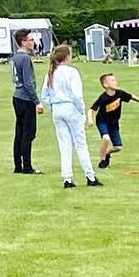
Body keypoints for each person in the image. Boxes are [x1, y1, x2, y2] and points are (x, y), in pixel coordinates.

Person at [42, 43, 100, 189]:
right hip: (71, 107)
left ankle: (67, 178)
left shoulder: (51, 73)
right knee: (80, 143)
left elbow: (44, 95)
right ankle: (90, 176)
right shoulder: (72, 72)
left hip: (57, 109)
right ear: (67, 57)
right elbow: (76, 94)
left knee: (64, 145)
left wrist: (53, 106)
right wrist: (81, 110)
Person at [90, 71, 139, 169]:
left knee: (118, 147)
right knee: (106, 138)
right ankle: (102, 161)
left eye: (115, 80)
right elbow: (92, 109)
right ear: (105, 85)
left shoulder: (120, 94)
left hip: (114, 124)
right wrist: (90, 120)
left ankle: (107, 152)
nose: (115, 82)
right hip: (102, 121)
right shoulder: (103, 98)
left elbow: (131, 96)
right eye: (112, 80)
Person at [10, 27, 42, 175]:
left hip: (17, 97)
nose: (33, 42)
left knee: (19, 132)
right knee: (28, 133)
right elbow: (28, 84)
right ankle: (27, 167)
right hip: (25, 99)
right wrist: (37, 102)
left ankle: (18, 165)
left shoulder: (15, 57)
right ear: (23, 42)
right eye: (31, 40)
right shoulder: (25, 59)